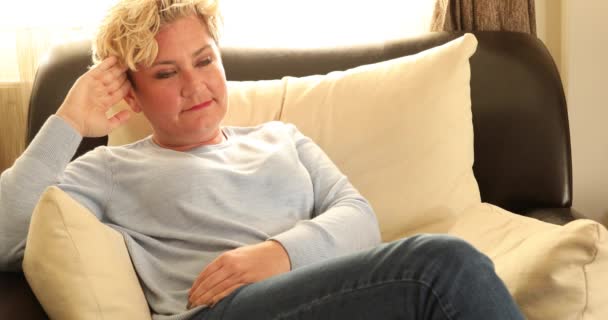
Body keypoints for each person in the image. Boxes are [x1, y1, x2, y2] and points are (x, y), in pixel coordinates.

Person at [0, 0, 525, 319]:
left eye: (204, 61)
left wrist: (278, 254)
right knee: (443, 266)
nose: (194, 84)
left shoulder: (283, 139)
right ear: (132, 96)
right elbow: (5, 238)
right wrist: (69, 121)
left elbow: (360, 217)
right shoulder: (109, 171)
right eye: (166, 74)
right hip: (219, 314)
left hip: (325, 300)